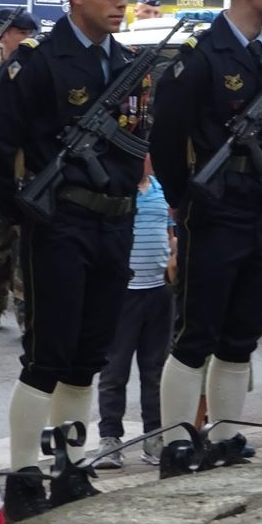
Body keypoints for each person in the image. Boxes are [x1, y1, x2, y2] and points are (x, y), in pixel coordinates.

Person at [0, 0, 149, 521]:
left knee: (87, 356)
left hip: (113, 223)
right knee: (47, 355)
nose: (119, 3)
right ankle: (24, 476)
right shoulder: (37, 61)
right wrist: (27, 213)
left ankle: (70, 469)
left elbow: (137, 144)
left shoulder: (126, 63)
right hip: (60, 223)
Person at [150, 0, 262, 474]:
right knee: (196, 335)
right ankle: (176, 444)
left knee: (241, 335)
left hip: (257, 205)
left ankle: (226, 436)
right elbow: (166, 140)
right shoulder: (200, 56)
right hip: (212, 210)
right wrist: (184, 201)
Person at [96, 157, 175, 467]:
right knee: (114, 370)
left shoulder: (161, 189)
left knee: (155, 370)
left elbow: (170, 234)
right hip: (123, 294)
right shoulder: (116, 189)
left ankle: (154, 436)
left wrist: (173, 257)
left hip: (158, 291)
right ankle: (109, 438)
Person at [0, 7, 35, 331]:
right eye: (21, 33)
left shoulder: (34, 71)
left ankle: (25, 310)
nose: (26, 39)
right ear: (3, 34)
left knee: (26, 242)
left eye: (29, 34)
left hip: (27, 169)